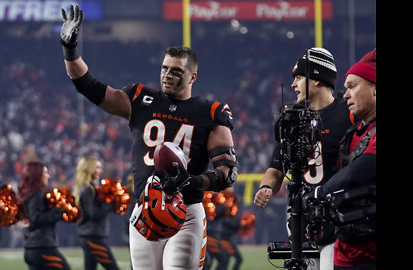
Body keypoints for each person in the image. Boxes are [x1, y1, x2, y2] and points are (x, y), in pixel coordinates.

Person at [59, 5, 238, 269]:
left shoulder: (209, 112)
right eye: (165, 68)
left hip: (186, 211)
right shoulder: (141, 99)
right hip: (145, 209)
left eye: (176, 71)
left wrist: (193, 181)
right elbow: (89, 86)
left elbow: (227, 172)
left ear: (193, 76)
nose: (167, 75)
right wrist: (70, 50)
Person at [253, 47, 355, 270]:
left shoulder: (349, 113)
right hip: (303, 216)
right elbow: (276, 167)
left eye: (298, 77)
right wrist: (266, 187)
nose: (293, 84)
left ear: (317, 78)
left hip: (340, 215)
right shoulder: (292, 118)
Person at [306, 48, 376, 270]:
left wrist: (318, 193)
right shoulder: (352, 133)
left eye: (353, 87)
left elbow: (361, 169)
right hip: (346, 250)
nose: (345, 95)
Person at [17, 161, 71, 270]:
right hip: (43, 247)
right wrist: (59, 209)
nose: (48, 175)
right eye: (45, 173)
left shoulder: (28, 194)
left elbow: (29, 221)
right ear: (37, 176)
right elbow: (37, 219)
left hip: (31, 248)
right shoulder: (37, 194)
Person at [73, 157, 120, 270]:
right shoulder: (88, 189)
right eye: (97, 168)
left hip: (90, 236)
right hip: (94, 238)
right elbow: (93, 215)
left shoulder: (88, 188)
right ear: (89, 169)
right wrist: (110, 201)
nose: (101, 171)